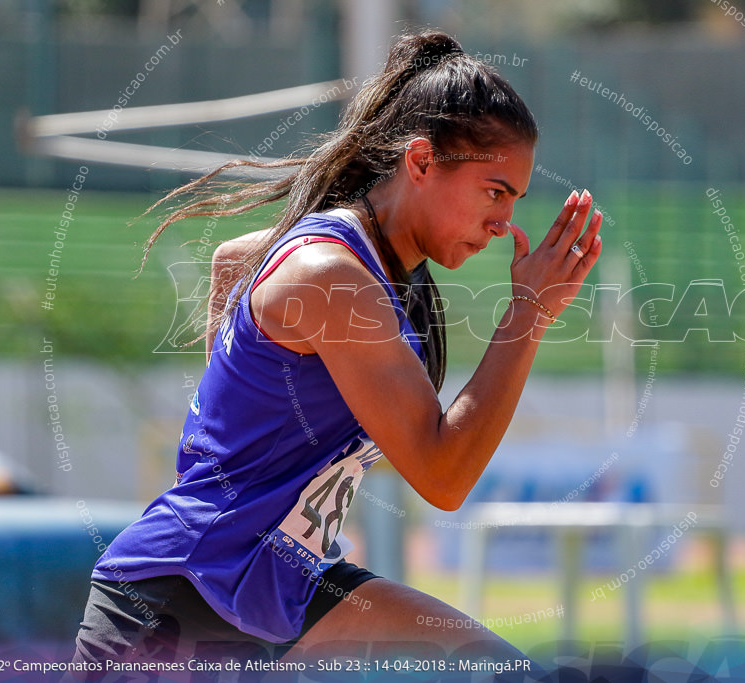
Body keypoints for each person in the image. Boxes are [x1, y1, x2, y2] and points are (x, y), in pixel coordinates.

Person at [70, 30, 602, 676]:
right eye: (494, 191)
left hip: (276, 582)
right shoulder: (335, 275)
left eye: (515, 200)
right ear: (422, 162)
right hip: (174, 606)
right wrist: (530, 311)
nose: (504, 223)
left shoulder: (374, 262)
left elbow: (232, 259)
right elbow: (443, 474)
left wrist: (236, 424)